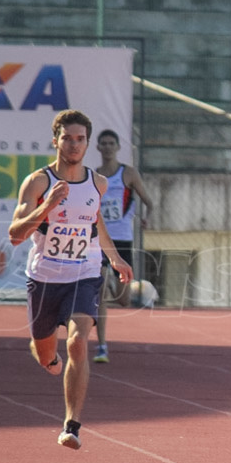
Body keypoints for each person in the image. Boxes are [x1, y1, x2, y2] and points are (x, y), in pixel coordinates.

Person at [9, 109, 133, 450]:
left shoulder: (98, 183)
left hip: (85, 272)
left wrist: (114, 256)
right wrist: (46, 206)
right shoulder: (38, 182)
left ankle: (72, 426)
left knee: (78, 342)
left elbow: (94, 222)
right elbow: (15, 234)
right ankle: (45, 354)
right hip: (45, 278)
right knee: (47, 353)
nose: (74, 145)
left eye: (80, 139)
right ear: (55, 141)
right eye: (68, 138)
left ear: (87, 143)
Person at [92, 128, 153, 364]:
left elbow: (149, 202)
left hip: (123, 240)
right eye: (103, 143)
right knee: (99, 293)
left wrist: (148, 218)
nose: (107, 147)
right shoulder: (93, 176)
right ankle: (102, 347)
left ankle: (109, 280)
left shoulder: (128, 174)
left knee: (123, 300)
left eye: (111, 143)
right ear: (97, 148)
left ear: (117, 147)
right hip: (99, 240)